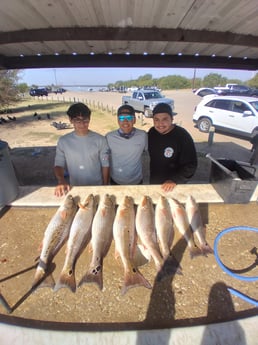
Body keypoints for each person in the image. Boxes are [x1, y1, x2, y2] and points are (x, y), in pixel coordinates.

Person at [54, 102, 110, 196]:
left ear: (89, 119)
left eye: (85, 120)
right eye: (77, 120)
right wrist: (61, 181)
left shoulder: (100, 140)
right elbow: (58, 164)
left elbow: (105, 165)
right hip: (75, 188)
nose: (82, 124)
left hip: (97, 187)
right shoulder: (63, 141)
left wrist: (105, 186)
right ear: (71, 120)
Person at [148, 102, 197, 192]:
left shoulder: (182, 136)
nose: (160, 124)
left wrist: (175, 180)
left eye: (165, 119)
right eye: (156, 119)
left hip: (174, 186)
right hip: (154, 182)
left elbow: (191, 164)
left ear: (172, 119)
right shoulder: (152, 133)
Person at [106, 104, 148, 185]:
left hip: (137, 181)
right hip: (116, 181)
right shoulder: (109, 137)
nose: (125, 121)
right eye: (121, 118)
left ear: (134, 120)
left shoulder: (143, 136)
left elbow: (146, 149)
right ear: (118, 121)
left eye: (129, 118)